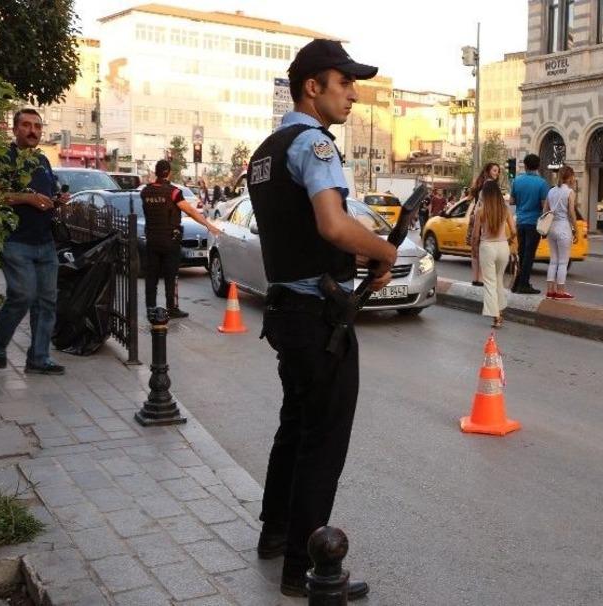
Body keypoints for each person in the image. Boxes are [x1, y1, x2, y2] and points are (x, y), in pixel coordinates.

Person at [247, 39, 393, 600]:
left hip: (287, 312)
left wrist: (359, 254)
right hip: (317, 317)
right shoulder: (315, 145)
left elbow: (303, 232)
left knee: (295, 425)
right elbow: (332, 226)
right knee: (323, 440)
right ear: (314, 86)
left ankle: (275, 535)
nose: (353, 93)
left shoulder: (267, 148)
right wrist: (381, 251)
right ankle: (304, 569)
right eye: (345, 82)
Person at [0, 109, 69, 375]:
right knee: (23, 294)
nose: (33, 130)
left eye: (37, 126)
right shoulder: (3, 158)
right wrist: (27, 198)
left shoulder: (43, 160)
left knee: (47, 302)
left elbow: (47, 193)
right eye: (26, 125)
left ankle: (38, 358)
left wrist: (57, 200)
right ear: (15, 129)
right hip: (16, 241)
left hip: (45, 242)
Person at [140, 160, 221, 320]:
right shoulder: (173, 192)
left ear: (156, 172)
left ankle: (150, 308)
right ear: (169, 172)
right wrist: (208, 225)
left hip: (152, 240)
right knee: (171, 276)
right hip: (170, 240)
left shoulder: (145, 192)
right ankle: (172, 308)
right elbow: (190, 210)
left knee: (152, 277)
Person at [471, 180, 516, 327]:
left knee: (490, 282)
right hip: (503, 246)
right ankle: (500, 312)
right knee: (499, 280)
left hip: (487, 247)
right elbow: (514, 231)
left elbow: (475, 235)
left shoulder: (481, 210)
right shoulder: (505, 208)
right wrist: (508, 240)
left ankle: (496, 316)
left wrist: (474, 250)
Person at [511, 154, 550, 294]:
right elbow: (544, 206)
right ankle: (524, 284)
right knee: (529, 255)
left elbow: (511, 201)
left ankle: (517, 282)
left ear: (525, 166)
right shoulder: (542, 183)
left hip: (520, 221)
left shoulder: (517, 181)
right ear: (538, 166)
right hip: (534, 223)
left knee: (521, 253)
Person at [544, 165, 578, 299]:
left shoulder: (551, 191)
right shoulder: (569, 192)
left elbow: (545, 210)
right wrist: (575, 229)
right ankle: (560, 291)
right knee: (563, 262)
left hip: (551, 227)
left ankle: (549, 290)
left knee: (553, 260)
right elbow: (571, 212)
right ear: (569, 177)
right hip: (564, 227)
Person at [467, 163, 500, 286]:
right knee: (482, 248)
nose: (497, 173)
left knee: (475, 249)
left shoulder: (480, 184)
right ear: (488, 171)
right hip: (484, 218)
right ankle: (480, 278)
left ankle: (475, 278)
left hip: (475, 217)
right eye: (495, 170)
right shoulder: (490, 185)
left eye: (498, 171)